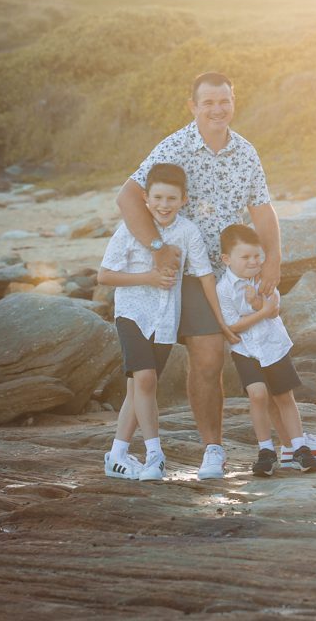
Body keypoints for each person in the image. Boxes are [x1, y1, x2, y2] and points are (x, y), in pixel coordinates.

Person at [115, 71, 316, 479]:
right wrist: (156, 246)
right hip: (189, 276)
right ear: (193, 106)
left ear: (232, 101)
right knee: (206, 361)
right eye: (208, 102)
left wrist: (274, 259)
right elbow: (129, 195)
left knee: (267, 350)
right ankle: (213, 450)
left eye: (224, 101)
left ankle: (294, 443)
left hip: (236, 275)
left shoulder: (245, 152)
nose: (218, 109)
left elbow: (262, 209)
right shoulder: (176, 146)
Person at [99, 163, 216, 481]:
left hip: (165, 320)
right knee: (146, 380)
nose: (164, 205)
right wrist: (148, 277)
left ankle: (118, 454)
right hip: (132, 314)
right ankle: (155, 455)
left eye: (171, 198)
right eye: (158, 198)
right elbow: (104, 275)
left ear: (184, 200)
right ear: (146, 200)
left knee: (139, 388)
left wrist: (222, 316)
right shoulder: (130, 229)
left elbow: (204, 274)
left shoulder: (187, 231)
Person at [217, 224, 316, 476]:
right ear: (227, 259)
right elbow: (232, 326)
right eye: (245, 257)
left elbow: (274, 309)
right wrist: (260, 310)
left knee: (284, 397)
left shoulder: (264, 278)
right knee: (258, 394)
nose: (253, 262)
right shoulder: (223, 289)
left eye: (257, 256)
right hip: (245, 349)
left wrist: (256, 303)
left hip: (273, 346)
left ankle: (299, 448)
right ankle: (265, 450)